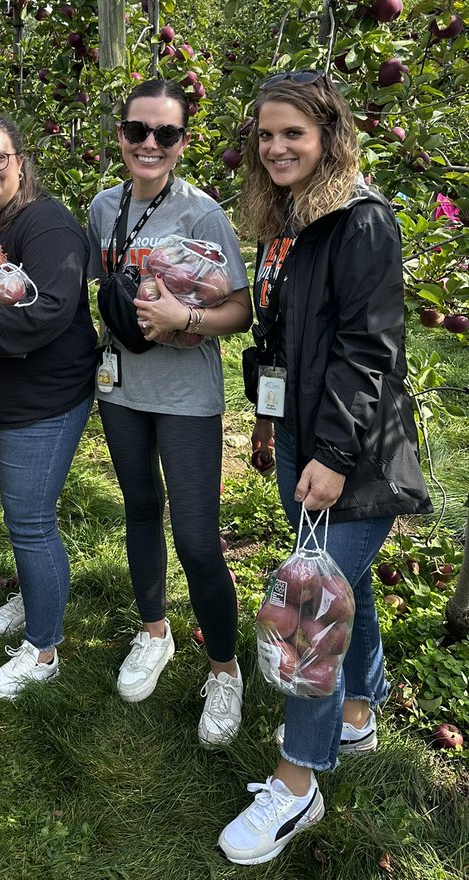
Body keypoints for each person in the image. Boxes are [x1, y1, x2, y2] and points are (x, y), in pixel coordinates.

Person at [218, 70, 431, 866]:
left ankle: (297, 782)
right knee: (348, 584)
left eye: (293, 134)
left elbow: (368, 349)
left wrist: (334, 456)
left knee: (311, 608)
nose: (276, 148)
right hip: (303, 437)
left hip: (352, 452)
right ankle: (358, 712)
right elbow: (281, 336)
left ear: (329, 136)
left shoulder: (359, 220)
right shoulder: (289, 219)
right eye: (266, 135)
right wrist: (270, 421)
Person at [86, 77, 251, 741]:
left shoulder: (202, 214)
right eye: (137, 130)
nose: (149, 143)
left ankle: (224, 670)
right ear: (120, 135)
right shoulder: (103, 207)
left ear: (183, 142)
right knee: (139, 509)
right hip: (121, 387)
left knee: (196, 538)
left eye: (166, 133)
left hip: (185, 396)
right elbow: (102, 287)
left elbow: (239, 309)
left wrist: (185, 318)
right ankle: (154, 631)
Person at [0, 112, 98, 699]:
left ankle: (43, 650)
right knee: (20, 513)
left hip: (44, 396)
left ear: (20, 162)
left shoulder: (48, 224)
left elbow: (50, 311)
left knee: (30, 521)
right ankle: (35, 598)